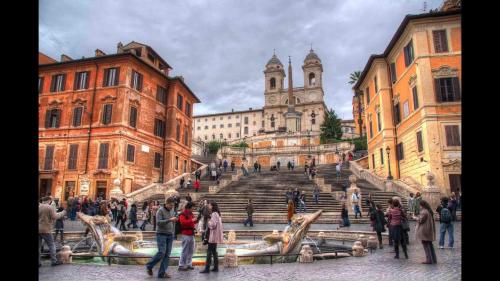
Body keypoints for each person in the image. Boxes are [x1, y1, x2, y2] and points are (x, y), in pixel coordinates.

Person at [146, 197, 178, 278]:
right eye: (170, 205)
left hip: (170, 235)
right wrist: (170, 220)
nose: (171, 207)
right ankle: (149, 265)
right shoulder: (160, 211)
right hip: (161, 234)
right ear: (166, 203)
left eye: (173, 205)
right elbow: (159, 223)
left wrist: (173, 233)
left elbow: (172, 223)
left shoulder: (172, 210)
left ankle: (162, 273)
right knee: (162, 252)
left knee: (167, 254)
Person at [39, 196, 66, 267]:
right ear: (49, 200)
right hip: (46, 229)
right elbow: (55, 217)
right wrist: (62, 213)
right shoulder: (49, 207)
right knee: (51, 245)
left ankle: (38, 262)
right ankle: (54, 261)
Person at [200, 201, 224, 274]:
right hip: (216, 236)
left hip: (213, 236)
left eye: (210, 205)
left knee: (209, 252)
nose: (209, 206)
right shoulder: (217, 214)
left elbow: (213, 225)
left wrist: (208, 222)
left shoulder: (214, 214)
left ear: (213, 206)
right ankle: (216, 267)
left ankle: (207, 268)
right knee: (214, 252)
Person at [414, 200, 437, 264]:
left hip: (425, 230)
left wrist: (415, 218)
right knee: (429, 244)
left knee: (426, 244)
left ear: (422, 205)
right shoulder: (429, 211)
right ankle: (433, 259)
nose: (419, 207)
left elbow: (421, 220)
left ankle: (429, 259)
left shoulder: (424, 212)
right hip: (428, 230)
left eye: (420, 205)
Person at [178, 202, 197, 271]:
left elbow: (193, 222)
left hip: (191, 233)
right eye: (193, 208)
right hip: (185, 233)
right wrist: (191, 220)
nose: (193, 209)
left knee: (191, 250)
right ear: (189, 208)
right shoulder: (182, 214)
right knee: (185, 249)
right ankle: (181, 265)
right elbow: (183, 222)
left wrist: (195, 220)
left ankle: (189, 264)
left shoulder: (191, 214)